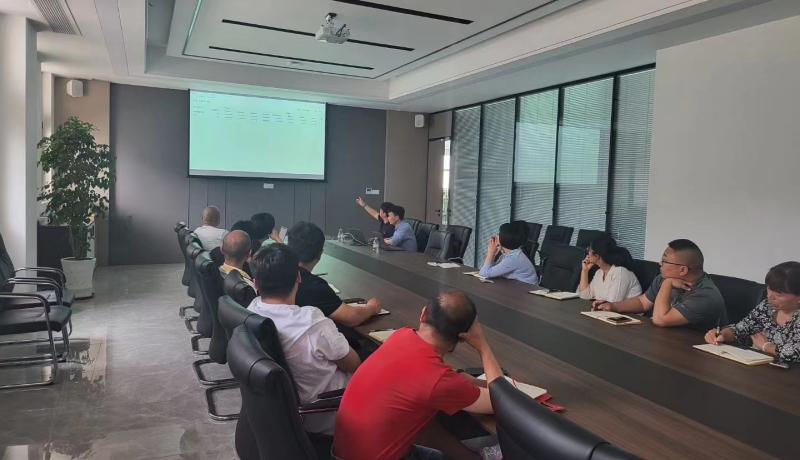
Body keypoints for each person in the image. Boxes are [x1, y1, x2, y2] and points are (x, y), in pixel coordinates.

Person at [333, 290, 503, 460]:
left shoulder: (402, 334)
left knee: (428, 419)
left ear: (423, 314)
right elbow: (501, 402)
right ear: (463, 338)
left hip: (344, 451)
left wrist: (464, 381)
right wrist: (482, 345)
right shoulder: (437, 380)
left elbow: (421, 377)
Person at [248, 244, 361, 434]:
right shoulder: (311, 321)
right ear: (298, 277)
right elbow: (353, 364)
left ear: (256, 284)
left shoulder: (251, 311)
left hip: (284, 412)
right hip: (329, 411)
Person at [594, 239, 726, 330]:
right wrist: (613, 306)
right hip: (666, 341)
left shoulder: (705, 295)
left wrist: (667, 283)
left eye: (664, 261)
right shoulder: (664, 278)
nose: (660, 263)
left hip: (695, 353)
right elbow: (643, 303)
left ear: (683, 270)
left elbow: (661, 320)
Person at [288, 221, 382, 326]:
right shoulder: (314, 286)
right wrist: (371, 307)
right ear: (320, 252)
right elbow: (352, 317)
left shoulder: (278, 272)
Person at [705, 262, 800, 363]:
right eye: (769, 288)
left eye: (779, 294)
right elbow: (743, 328)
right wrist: (722, 335)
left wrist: (766, 346)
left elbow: (794, 353)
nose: (770, 296)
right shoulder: (767, 306)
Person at [577, 234, 642, 302]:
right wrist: (585, 270)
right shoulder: (599, 273)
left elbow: (613, 303)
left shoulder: (620, 273)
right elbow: (585, 296)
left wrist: (599, 302)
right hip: (604, 308)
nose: (587, 252)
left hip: (625, 309)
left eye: (589, 249)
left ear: (597, 256)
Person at [478, 221, 538, 285]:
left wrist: (491, 251)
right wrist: (493, 252)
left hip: (528, 289)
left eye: (499, 234)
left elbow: (484, 273)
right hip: (516, 286)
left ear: (504, 239)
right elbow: (491, 270)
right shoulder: (510, 253)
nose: (496, 236)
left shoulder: (514, 258)